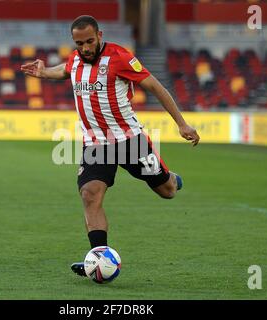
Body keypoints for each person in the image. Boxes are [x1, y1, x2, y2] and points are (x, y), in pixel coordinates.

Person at [21, 15, 200, 278]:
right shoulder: (75, 59)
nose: (85, 48)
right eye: (79, 43)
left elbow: (155, 86)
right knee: (89, 194)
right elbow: (65, 69)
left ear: (100, 35)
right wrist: (44, 72)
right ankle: (98, 260)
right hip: (96, 144)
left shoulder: (120, 58)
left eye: (89, 41)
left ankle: (172, 178)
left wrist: (182, 124)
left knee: (167, 191)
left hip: (130, 141)